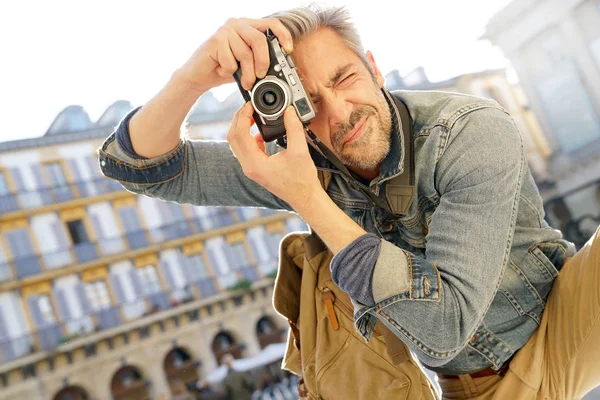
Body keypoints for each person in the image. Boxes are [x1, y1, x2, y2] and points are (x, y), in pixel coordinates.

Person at [98, 4, 600, 399]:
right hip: (473, 386)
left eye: (344, 79)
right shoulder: (303, 164)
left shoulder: (467, 129)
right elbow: (138, 167)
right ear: (286, 114)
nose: (339, 113)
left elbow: (448, 321)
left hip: (562, 319)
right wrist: (191, 78)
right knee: (315, 255)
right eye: (310, 104)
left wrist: (310, 200)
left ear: (375, 68)